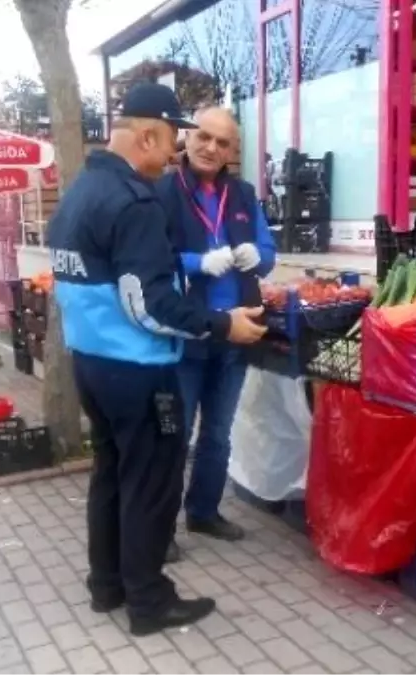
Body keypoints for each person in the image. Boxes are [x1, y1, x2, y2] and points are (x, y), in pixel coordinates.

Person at [46, 83, 268, 637]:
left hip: (92, 362)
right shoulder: (135, 200)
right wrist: (223, 324)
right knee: (150, 484)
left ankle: (108, 585)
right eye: (172, 140)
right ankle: (149, 601)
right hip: (138, 368)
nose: (173, 153)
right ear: (147, 134)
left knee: (112, 475)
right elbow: (147, 302)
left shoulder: (79, 192)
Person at [155, 107, 277, 557]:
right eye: (204, 137)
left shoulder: (243, 193)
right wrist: (195, 263)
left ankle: (203, 512)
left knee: (219, 432)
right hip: (186, 332)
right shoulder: (162, 192)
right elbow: (150, 259)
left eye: (222, 143)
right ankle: (160, 528)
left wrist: (256, 256)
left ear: (231, 151)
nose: (211, 148)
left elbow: (268, 252)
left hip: (237, 331)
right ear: (188, 139)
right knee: (176, 434)